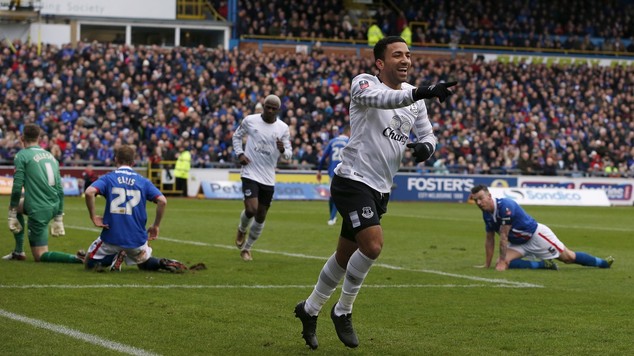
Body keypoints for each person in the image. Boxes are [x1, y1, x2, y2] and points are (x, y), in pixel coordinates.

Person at [294, 36, 456, 350]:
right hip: (353, 180)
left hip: (381, 188)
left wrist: (426, 148)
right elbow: (386, 100)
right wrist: (421, 91)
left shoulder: (415, 101)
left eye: (408, 54)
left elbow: (428, 134)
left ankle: (309, 309)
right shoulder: (364, 84)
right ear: (380, 63)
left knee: (344, 257)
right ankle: (343, 310)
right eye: (398, 55)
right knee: (373, 246)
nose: (406, 60)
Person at [83, 145, 188, 273]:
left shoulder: (109, 178)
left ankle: (116, 256)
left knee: (89, 262)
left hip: (112, 237)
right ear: (133, 162)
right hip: (137, 239)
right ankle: (162, 262)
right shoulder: (143, 181)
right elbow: (162, 201)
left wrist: (93, 216)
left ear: (116, 159)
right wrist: (155, 226)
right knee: (144, 263)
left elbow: (89, 192)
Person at [470, 184, 614, 272]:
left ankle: (603, 263)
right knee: (502, 262)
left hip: (536, 236)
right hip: (519, 243)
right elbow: (489, 239)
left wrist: (502, 262)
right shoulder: (486, 214)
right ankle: (543, 265)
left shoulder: (505, 206)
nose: (479, 202)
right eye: (476, 200)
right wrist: (487, 265)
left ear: (489, 196)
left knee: (568, 258)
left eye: (481, 198)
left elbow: (503, 236)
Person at [5, 123, 82, 263]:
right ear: (39, 138)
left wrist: (11, 213)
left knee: (40, 255)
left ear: (22, 138)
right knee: (19, 208)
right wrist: (59, 216)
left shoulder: (22, 155)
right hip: (53, 205)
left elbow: (17, 187)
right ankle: (18, 251)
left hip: (38, 208)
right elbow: (60, 189)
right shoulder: (51, 156)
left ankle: (77, 259)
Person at [232, 94, 292, 262]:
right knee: (251, 209)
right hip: (250, 171)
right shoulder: (250, 120)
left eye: (274, 108)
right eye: (268, 107)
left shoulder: (283, 128)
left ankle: (247, 248)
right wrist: (240, 153)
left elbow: (289, 155)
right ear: (263, 106)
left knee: (261, 215)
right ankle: (241, 228)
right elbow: (236, 136)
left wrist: (282, 151)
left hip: (268, 177)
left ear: (278, 110)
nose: (270, 110)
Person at [316, 125, 350, 226]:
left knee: (332, 195)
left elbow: (323, 158)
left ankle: (332, 217)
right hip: (345, 171)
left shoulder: (332, 141)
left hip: (332, 171)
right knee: (340, 196)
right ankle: (333, 217)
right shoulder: (349, 141)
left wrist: (319, 171)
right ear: (348, 132)